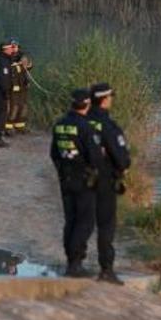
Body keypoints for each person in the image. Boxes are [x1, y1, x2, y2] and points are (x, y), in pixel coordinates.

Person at [50, 88, 103, 278]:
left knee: (71, 220)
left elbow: (54, 154)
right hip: (83, 179)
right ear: (87, 105)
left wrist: (62, 171)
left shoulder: (60, 124)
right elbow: (95, 157)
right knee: (85, 222)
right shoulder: (86, 127)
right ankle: (75, 263)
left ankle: (71, 262)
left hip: (66, 178)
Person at [86, 82, 131, 285]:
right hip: (104, 180)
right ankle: (106, 269)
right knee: (105, 225)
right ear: (104, 100)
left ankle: (74, 265)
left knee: (79, 222)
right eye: (110, 97)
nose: (111, 99)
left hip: (78, 180)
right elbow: (121, 157)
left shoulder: (79, 121)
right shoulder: (108, 125)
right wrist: (123, 167)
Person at [7, 38, 33, 135]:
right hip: (12, 87)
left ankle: (20, 126)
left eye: (16, 47)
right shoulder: (6, 58)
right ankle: (9, 127)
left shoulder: (22, 56)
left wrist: (27, 63)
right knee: (13, 107)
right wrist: (15, 64)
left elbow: (29, 67)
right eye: (12, 47)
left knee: (23, 106)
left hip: (23, 86)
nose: (14, 49)